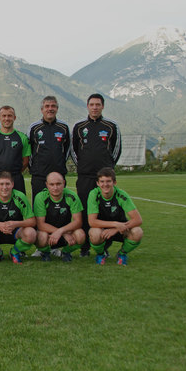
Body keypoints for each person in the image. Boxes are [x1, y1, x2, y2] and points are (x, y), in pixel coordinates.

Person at [72, 93, 122, 256]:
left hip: (104, 178)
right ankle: (85, 247)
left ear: (102, 106)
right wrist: (82, 166)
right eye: (92, 104)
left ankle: (104, 247)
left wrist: (108, 168)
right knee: (85, 210)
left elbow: (116, 149)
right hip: (85, 176)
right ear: (87, 106)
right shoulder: (79, 127)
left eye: (98, 104)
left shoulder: (111, 126)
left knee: (103, 211)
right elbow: (73, 150)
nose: (95, 107)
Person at [87, 168, 143, 265]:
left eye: (109, 181)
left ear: (114, 182)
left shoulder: (121, 195)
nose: (105, 184)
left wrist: (116, 228)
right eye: (102, 182)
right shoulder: (94, 194)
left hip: (121, 229)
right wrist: (114, 224)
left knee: (137, 232)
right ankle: (101, 254)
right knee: (94, 233)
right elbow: (92, 222)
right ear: (97, 183)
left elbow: (138, 219)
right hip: (103, 230)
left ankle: (122, 254)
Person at [33, 172, 85, 262]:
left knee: (80, 235)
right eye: (52, 184)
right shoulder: (41, 197)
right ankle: (46, 252)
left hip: (67, 233)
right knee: (41, 237)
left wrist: (62, 231)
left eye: (58, 184)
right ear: (46, 185)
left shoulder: (71, 196)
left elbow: (78, 222)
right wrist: (60, 232)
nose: (55, 187)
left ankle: (66, 252)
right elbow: (41, 225)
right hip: (48, 234)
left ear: (64, 183)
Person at [27, 96, 71, 202]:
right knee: (38, 207)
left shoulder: (64, 127)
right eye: (47, 106)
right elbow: (28, 150)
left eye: (53, 106)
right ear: (42, 109)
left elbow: (68, 149)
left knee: (60, 207)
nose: (50, 109)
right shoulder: (34, 127)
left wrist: (60, 163)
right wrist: (34, 167)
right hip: (39, 175)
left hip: (59, 174)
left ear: (57, 108)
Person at [0, 105, 31, 194]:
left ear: (15, 118)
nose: (7, 118)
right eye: (4, 116)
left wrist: (14, 172)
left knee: (18, 205)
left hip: (16, 177)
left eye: (9, 116)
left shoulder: (22, 138)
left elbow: (25, 161)